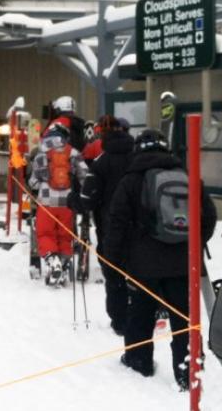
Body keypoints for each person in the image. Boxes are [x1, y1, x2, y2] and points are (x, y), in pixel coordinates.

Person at [105, 129, 216, 390]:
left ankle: (138, 362)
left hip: (143, 265)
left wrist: (114, 264)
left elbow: (116, 225)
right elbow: (208, 217)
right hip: (182, 263)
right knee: (182, 317)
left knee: (140, 315)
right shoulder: (187, 177)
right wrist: (192, 243)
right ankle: (188, 372)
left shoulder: (131, 180)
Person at [80, 115, 134, 335]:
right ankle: (148, 310)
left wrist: (75, 200)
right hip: (139, 227)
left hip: (110, 227)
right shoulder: (137, 158)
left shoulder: (102, 161)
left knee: (113, 275)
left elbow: (88, 198)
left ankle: (120, 321)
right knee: (139, 270)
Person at [28, 95, 88, 286]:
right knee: (65, 234)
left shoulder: (42, 153)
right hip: (68, 202)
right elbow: (85, 176)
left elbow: (33, 182)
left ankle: (52, 261)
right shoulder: (73, 152)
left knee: (45, 234)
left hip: (47, 203)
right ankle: (62, 264)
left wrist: (40, 187)